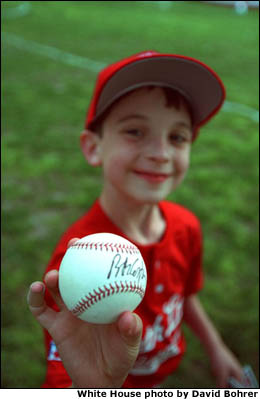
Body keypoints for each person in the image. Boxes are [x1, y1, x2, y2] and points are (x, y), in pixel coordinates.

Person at [27, 50, 244, 389]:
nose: (160, 153)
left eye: (177, 137)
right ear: (93, 147)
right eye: (134, 131)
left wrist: (216, 346)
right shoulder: (72, 266)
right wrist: (95, 385)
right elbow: (64, 374)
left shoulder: (186, 227)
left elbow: (186, 295)